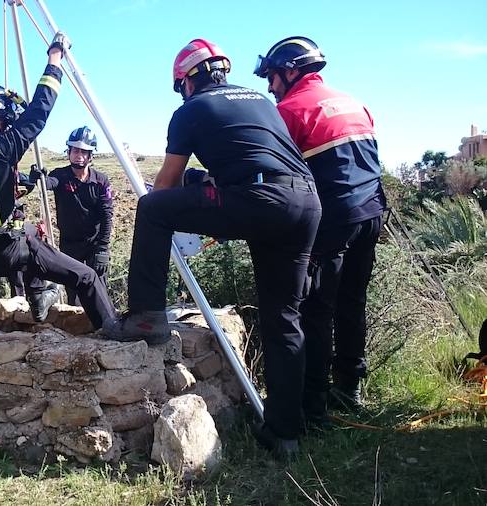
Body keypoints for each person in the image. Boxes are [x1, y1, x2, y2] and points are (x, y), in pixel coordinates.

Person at [102, 39, 321, 459]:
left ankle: (146, 317)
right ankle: (285, 432)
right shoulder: (259, 98)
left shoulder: (191, 110)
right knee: (284, 317)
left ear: (187, 80)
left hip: (259, 199)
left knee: (152, 209)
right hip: (305, 202)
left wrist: (180, 199)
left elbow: (165, 185)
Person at [0, 33, 114, 330]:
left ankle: (39, 299)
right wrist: (54, 58)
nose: (6, 127)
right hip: (8, 248)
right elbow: (38, 112)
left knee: (31, 233)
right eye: (4, 122)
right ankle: (113, 333)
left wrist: (19, 181)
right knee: (86, 277)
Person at [255, 37, 386, 420]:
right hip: (373, 213)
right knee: (352, 303)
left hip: (334, 221)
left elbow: (267, 170)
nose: (269, 86)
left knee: (315, 309)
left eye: (273, 77)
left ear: (292, 70)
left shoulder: (288, 110)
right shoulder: (352, 101)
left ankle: (312, 407)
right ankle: (350, 389)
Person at [32, 126, 114, 305]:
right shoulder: (60, 175)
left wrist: (103, 248)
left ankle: (105, 325)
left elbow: (107, 215)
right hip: (69, 244)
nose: (79, 155)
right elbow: (47, 184)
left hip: (94, 244)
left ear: (90, 155)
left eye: (84, 152)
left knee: (98, 289)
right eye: (75, 150)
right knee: (73, 289)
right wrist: (36, 178)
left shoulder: (101, 181)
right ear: (68, 152)